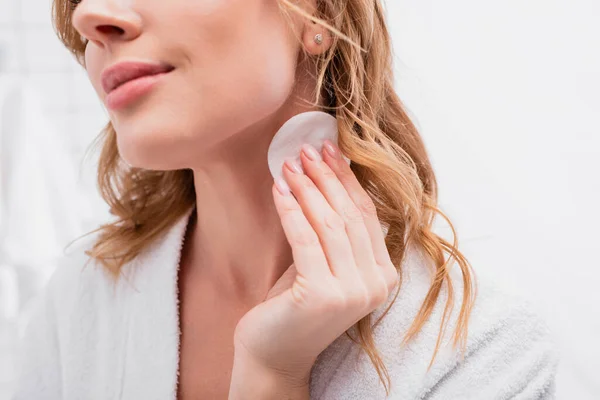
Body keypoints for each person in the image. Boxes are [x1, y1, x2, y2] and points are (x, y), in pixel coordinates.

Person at [13, 0, 558, 399]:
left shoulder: (482, 351)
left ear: (313, 15)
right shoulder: (80, 302)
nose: (89, 15)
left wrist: (273, 374)